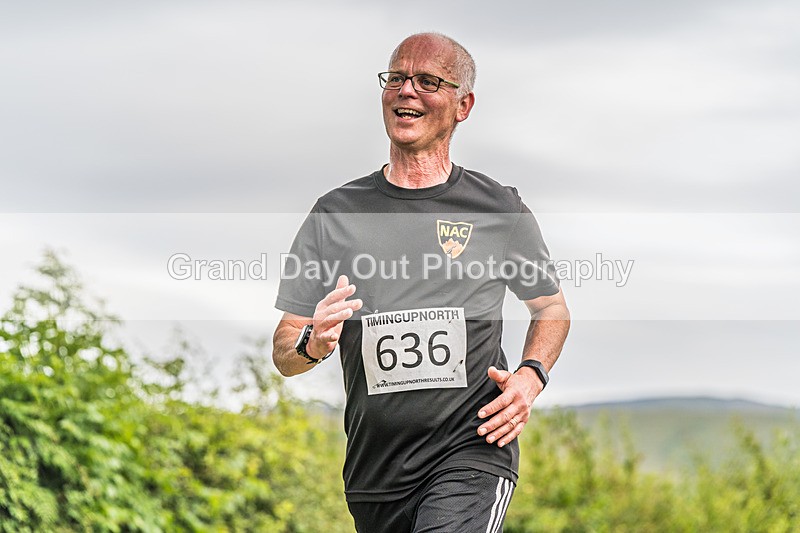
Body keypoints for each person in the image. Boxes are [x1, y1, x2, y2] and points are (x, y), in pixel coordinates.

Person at [272, 32, 570, 533]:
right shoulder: (335, 213)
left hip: (471, 451)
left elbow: (551, 309)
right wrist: (313, 340)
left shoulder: (498, 209)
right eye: (396, 78)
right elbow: (285, 351)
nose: (406, 90)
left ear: (463, 105)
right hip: (375, 471)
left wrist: (529, 377)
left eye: (428, 81)